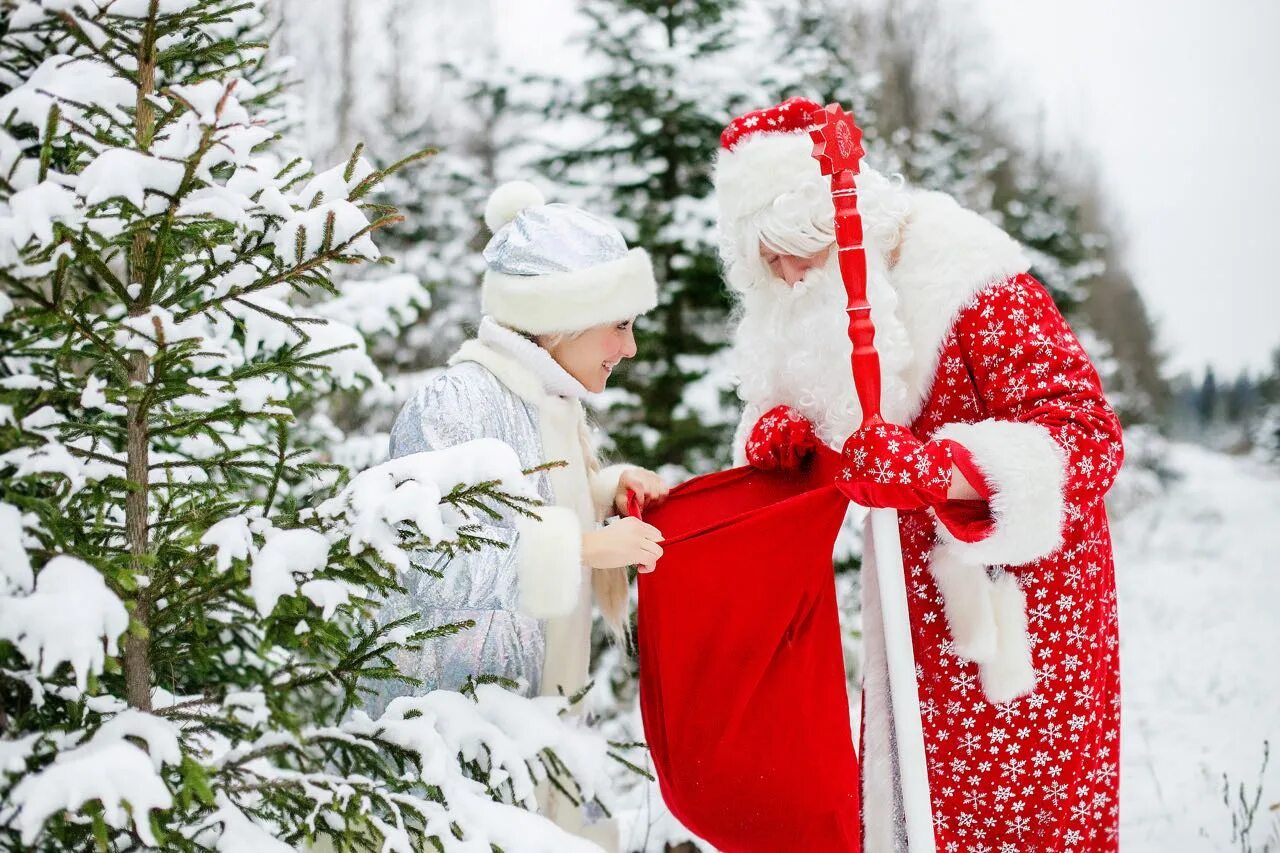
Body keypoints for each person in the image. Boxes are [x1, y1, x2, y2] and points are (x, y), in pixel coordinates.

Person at [715, 97, 1125, 852]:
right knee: (916, 810)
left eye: (794, 247)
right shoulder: (828, 301)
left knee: (1009, 822)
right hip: (914, 623)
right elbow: (840, 425)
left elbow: (1087, 439)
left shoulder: (982, 292)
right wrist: (784, 436)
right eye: (764, 258)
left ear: (840, 225)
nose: (785, 273)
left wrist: (940, 469)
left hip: (1024, 623)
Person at [373, 180, 668, 848]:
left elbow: (526, 500)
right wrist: (588, 549)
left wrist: (606, 489)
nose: (631, 348)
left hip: (535, 735)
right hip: (458, 751)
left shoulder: (550, 401)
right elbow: (430, 559)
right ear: (557, 319)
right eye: (619, 323)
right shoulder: (457, 402)